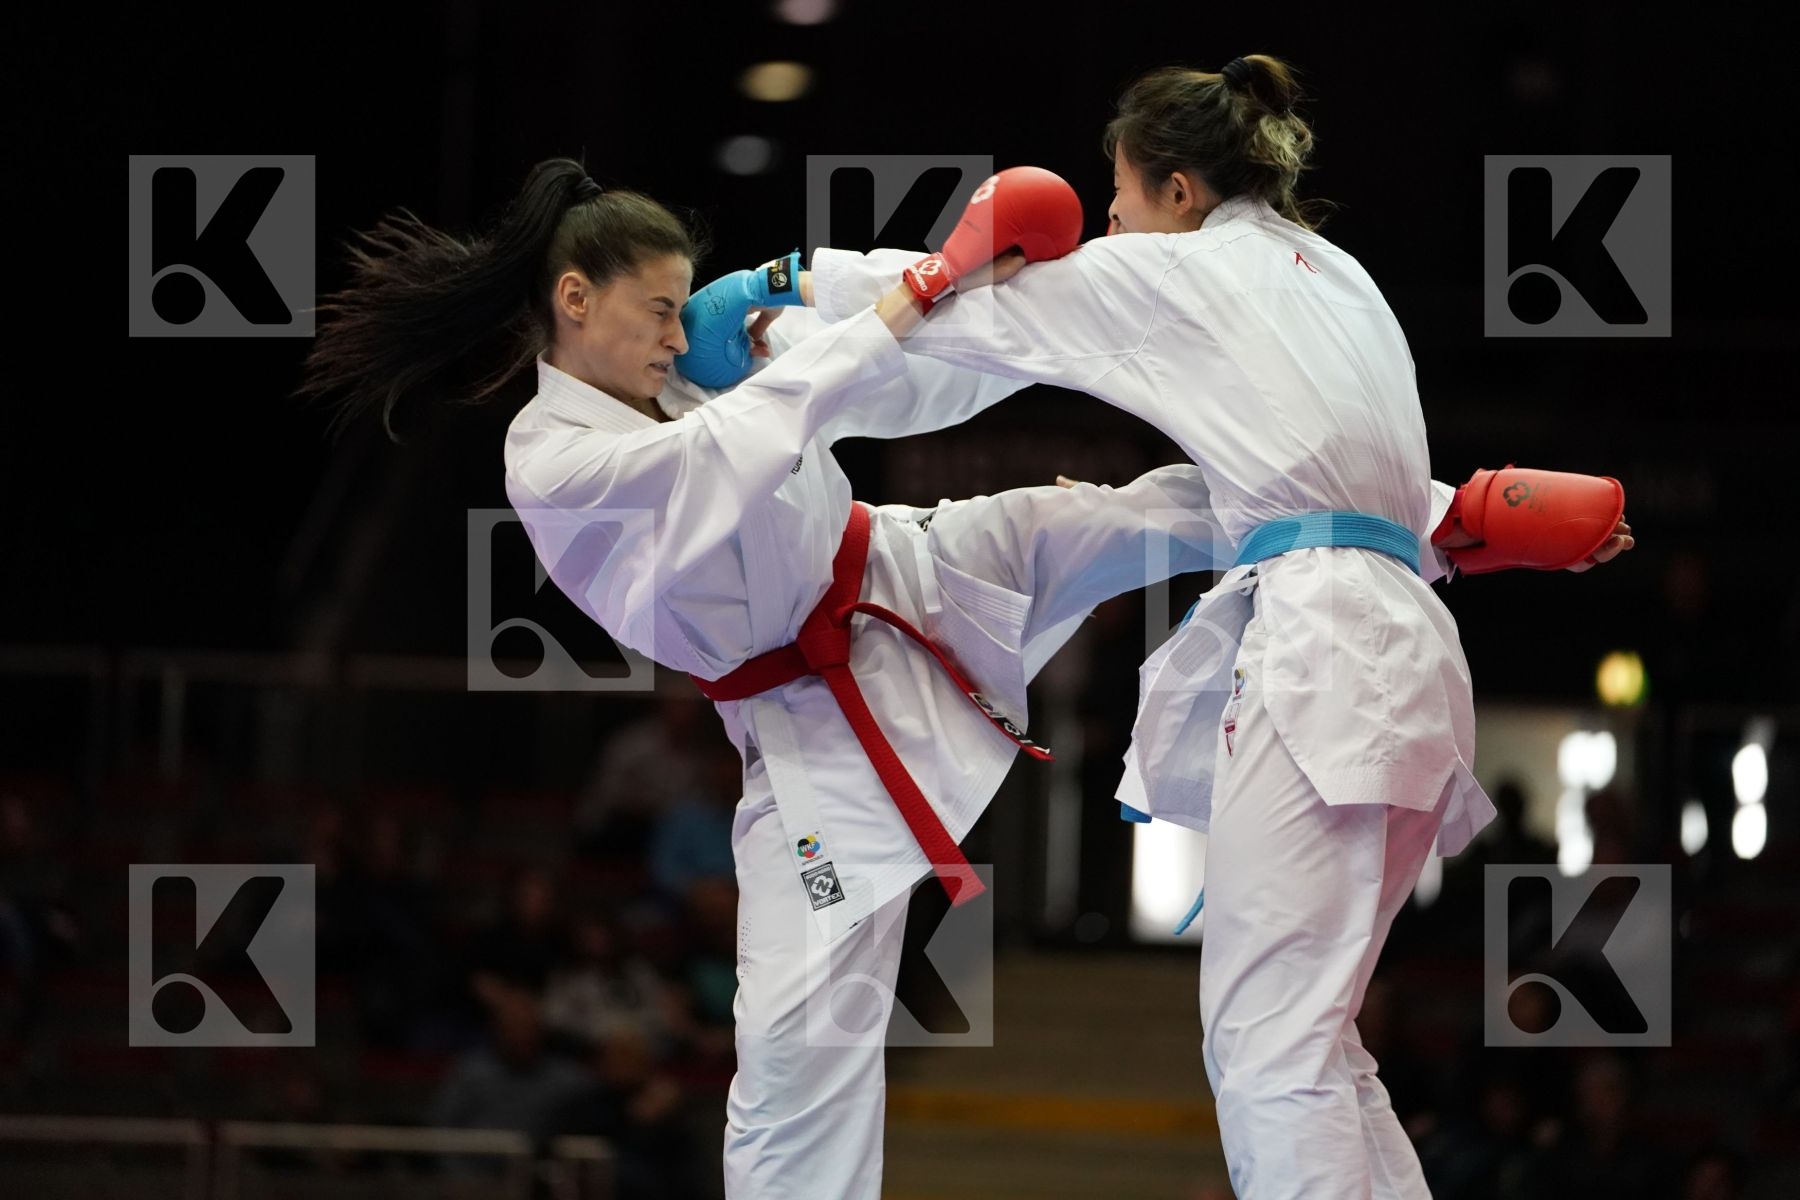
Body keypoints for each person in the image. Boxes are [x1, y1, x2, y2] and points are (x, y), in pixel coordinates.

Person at [293, 156, 1246, 1199]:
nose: (674, 331)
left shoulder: (690, 364)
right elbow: (738, 446)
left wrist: (951, 277)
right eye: (659, 309)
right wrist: (899, 300)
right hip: (805, 731)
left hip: (898, 570)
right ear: (575, 300)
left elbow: (889, 375)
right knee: (800, 1057)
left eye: (680, 308)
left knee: (1117, 518)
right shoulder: (553, 460)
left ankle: (1410, 515)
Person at [805, 56, 1631, 1199]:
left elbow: (979, 306)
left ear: (1180, 191)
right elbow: (1357, 483)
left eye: (1121, 195)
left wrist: (788, 290)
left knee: (1271, 1047)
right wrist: (1472, 515)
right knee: (1314, 1040)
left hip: (1328, 651)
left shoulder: (1175, 274)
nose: (1105, 221)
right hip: (1399, 648)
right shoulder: (1342, 278)